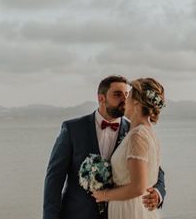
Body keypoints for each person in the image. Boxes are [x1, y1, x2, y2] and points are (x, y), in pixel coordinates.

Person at [43, 75, 166, 219]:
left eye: (127, 94)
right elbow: (54, 179)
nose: (124, 100)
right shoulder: (73, 129)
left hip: (122, 212)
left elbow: (156, 170)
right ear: (101, 98)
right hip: (78, 214)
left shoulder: (135, 132)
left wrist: (157, 193)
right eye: (118, 94)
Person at [92, 78, 165, 219]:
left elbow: (138, 187)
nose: (125, 100)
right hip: (134, 207)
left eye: (128, 96)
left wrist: (104, 195)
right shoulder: (146, 132)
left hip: (130, 210)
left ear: (136, 103)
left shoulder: (138, 135)